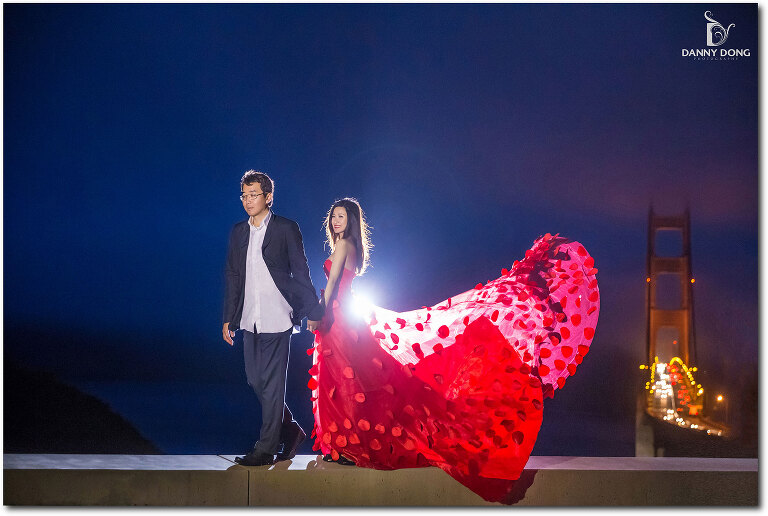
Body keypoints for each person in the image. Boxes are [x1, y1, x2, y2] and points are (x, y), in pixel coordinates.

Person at [308, 198, 600, 503]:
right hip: (344, 313)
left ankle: (345, 447)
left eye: (341, 217)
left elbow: (330, 290)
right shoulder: (352, 248)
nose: (335, 221)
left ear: (351, 221)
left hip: (337, 315)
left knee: (343, 381)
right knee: (353, 380)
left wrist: (319, 312)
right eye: (333, 217)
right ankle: (347, 446)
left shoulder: (342, 247)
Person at [222, 170, 324, 466]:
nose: (248, 200)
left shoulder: (286, 228)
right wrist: (229, 315)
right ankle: (290, 430)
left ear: (268, 197)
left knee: (273, 384)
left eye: (254, 194)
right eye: (244, 194)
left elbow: (301, 270)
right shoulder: (238, 231)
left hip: (278, 315)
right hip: (249, 316)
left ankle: (265, 449)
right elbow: (232, 274)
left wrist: (313, 311)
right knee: (255, 380)